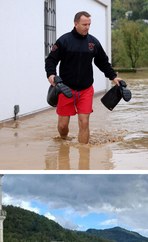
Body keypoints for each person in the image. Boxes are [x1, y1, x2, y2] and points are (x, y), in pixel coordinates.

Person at [45, 11, 122, 144]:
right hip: (65, 89)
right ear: (76, 24)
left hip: (85, 90)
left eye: (89, 24)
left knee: (84, 122)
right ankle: (63, 142)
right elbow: (51, 60)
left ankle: (84, 156)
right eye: (84, 24)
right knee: (63, 126)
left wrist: (114, 77)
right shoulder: (64, 41)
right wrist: (51, 75)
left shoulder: (93, 43)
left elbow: (103, 63)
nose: (87, 27)